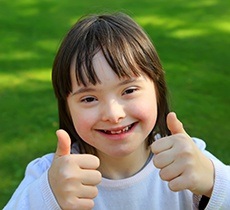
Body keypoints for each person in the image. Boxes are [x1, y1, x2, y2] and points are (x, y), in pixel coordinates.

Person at [4, 12, 230, 210]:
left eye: (129, 90)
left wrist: (214, 181)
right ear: (67, 107)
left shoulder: (187, 159)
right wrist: (48, 198)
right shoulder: (51, 176)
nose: (113, 114)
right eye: (89, 98)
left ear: (157, 90)